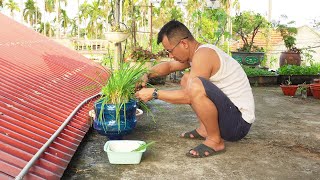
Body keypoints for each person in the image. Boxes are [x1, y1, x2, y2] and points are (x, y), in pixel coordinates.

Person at [135, 20, 255, 158]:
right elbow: (169, 67)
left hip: (237, 125)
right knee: (187, 79)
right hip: (229, 116)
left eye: (170, 51)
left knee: (195, 85)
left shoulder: (204, 55)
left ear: (184, 44)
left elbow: (188, 96)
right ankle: (205, 130)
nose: (170, 56)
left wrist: (154, 93)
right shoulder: (196, 53)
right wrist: (146, 74)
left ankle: (215, 141)